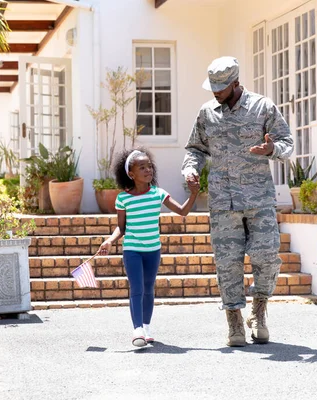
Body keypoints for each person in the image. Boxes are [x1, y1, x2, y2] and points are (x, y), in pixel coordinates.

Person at [182, 56, 293, 347]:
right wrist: (191, 169)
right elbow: (195, 148)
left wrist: (272, 149)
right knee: (228, 263)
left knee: (268, 255)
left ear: (235, 83)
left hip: (259, 198)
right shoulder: (207, 113)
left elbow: (287, 143)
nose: (215, 91)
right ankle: (233, 321)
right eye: (213, 86)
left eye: (221, 86)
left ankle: (258, 313)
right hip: (222, 201)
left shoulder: (262, 107)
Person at [99, 148, 200, 347]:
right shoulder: (123, 198)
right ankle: (137, 330)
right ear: (131, 174)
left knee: (148, 289)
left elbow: (183, 211)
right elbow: (121, 227)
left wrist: (194, 193)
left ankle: (146, 327)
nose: (148, 170)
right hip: (132, 250)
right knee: (137, 288)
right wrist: (110, 241)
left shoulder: (158, 194)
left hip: (153, 250)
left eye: (150, 166)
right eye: (142, 167)